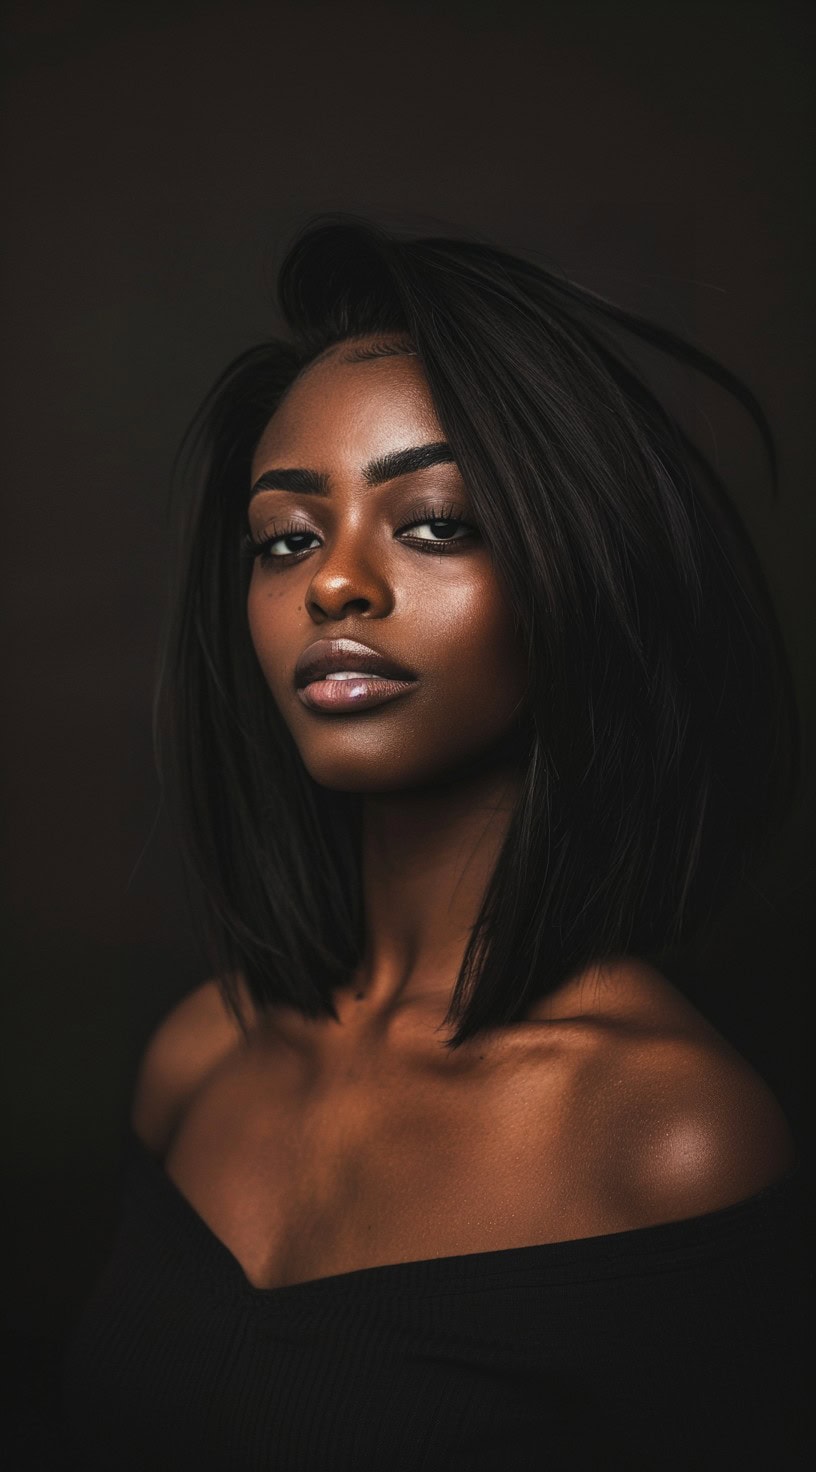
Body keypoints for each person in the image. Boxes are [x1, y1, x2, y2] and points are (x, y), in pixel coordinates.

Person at [62, 217, 807, 1469]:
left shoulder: (671, 1138)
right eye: (287, 538)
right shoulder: (200, 1051)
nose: (334, 585)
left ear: (580, 566)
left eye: (436, 520)